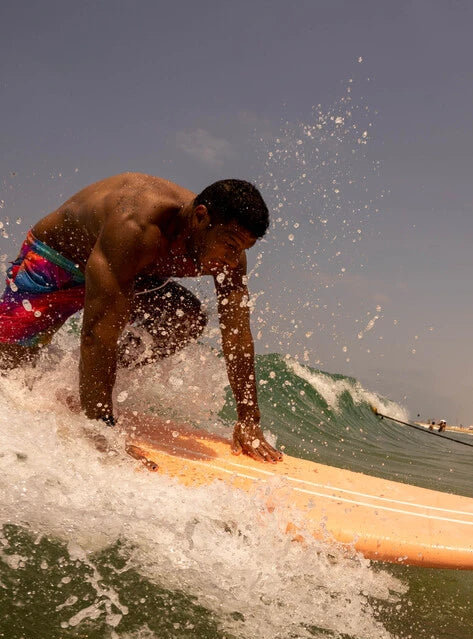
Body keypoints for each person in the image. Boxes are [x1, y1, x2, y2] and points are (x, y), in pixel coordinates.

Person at [0, 172, 282, 465]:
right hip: (59, 260)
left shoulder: (228, 253)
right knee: (7, 371)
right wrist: (103, 436)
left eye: (242, 250)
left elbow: (236, 334)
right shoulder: (136, 224)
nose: (233, 260)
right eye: (231, 245)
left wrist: (249, 420)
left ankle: (79, 380)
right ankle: (95, 411)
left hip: (130, 272)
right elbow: (98, 334)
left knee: (185, 318)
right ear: (200, 217)